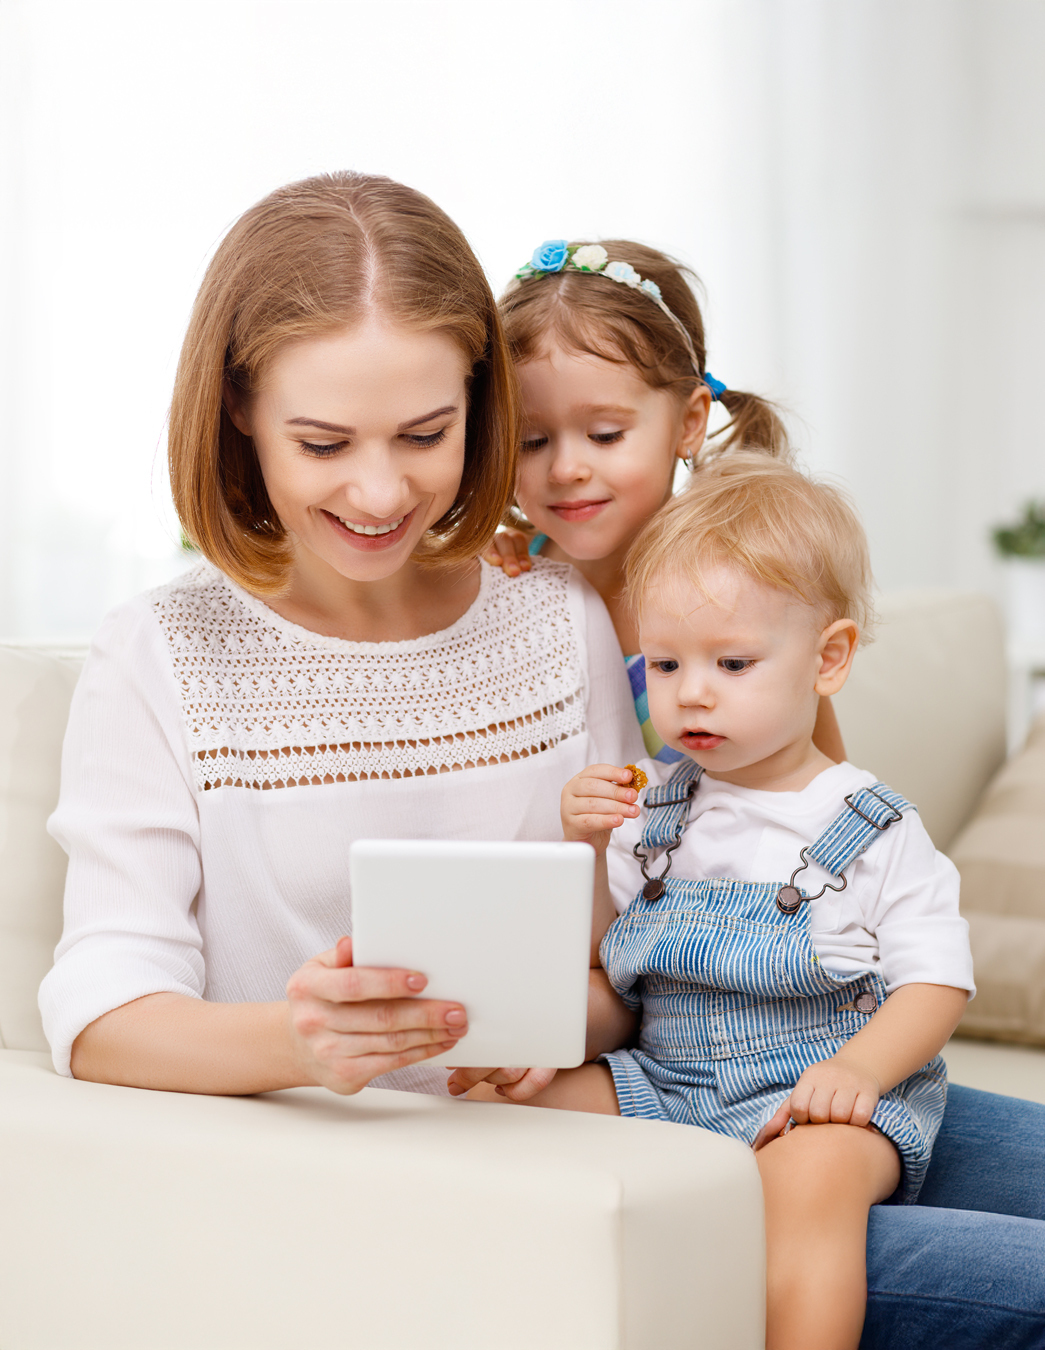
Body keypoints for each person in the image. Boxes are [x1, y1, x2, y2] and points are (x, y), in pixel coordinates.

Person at [38, 173, 641, 1097]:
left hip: (546, 1152)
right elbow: (101, 1018)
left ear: (478, 402)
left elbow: (638, 964)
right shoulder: (161, 651)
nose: (380, 493)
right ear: (238, 408)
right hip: (311, 1171)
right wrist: (298, 1044)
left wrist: (559, 1024)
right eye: (323, 444)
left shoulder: (557, 618)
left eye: (425, 435)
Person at [543, 454, 973, 1347]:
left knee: (806, 1183)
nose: (691, 692)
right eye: (665, 663)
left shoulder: (871, 824)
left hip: (814, 1096)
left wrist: (859, 1073)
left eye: (732, 662)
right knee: (506, 1118)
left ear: (827, 659)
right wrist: (584, 847)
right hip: (663, 1081)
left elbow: (935, 982)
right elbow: (604, 957)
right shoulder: (651, 808)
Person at [482, 237, 847, 764]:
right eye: (530, 441)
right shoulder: (508, 579)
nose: (565, 469)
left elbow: (824, 782)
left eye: (605, 435)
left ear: (690, 423)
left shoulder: (747, 581)